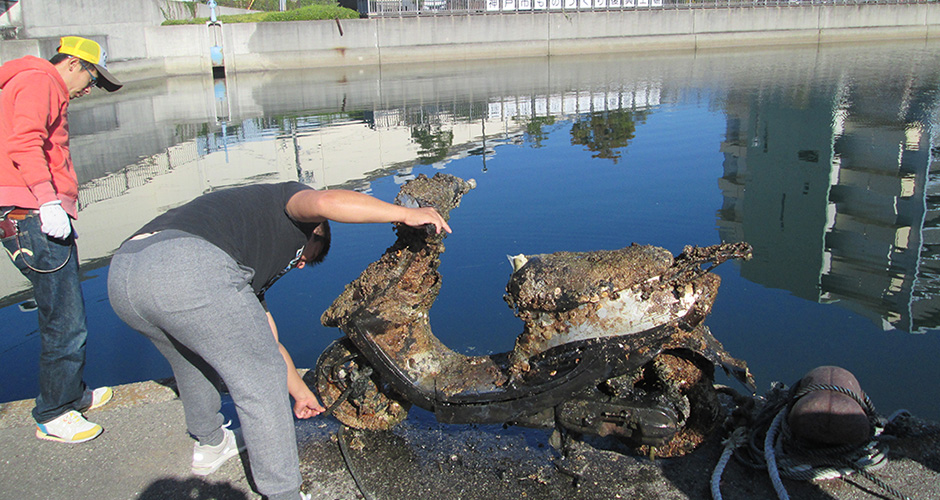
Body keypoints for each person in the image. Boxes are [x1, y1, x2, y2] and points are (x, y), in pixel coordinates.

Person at [107, 182, 451, 500]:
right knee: (259, 383)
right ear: (313, 231)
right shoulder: (288, 202)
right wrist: (407, 214)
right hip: (188, 268)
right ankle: (283, 493)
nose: (300, 265)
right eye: (307, 256)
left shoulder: (236, 242)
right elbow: (326, 200)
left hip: (125, 276)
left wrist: (301, 393)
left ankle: (210, 444)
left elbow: (265, 340)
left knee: (193, 361)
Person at [0, 36, 123, 443]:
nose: (89, 88)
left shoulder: (34, 82)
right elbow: (25, 142)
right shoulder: (41, 81)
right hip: (32, 212)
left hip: (31, 209)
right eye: (91, 77)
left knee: (64, 309)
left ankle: (69, 395)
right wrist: (47, 201)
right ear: (72, 63)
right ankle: (54, 413)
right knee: (64, 318)